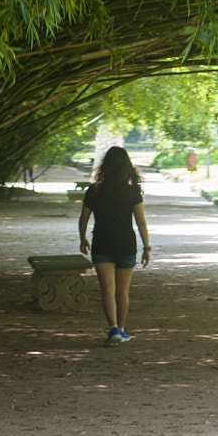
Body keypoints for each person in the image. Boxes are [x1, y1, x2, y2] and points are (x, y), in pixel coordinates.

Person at [79, 146, 150, 344]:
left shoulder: (94, 190)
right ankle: (123, 328)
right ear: (126, 167)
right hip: (126, 245)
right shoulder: (132, 192)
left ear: (105, 166)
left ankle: (113, 329)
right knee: (122, 291)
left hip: (102, 243)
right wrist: (147, 247)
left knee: (107, 290)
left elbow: (84, 217)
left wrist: (82, 237)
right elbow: (141, 222)